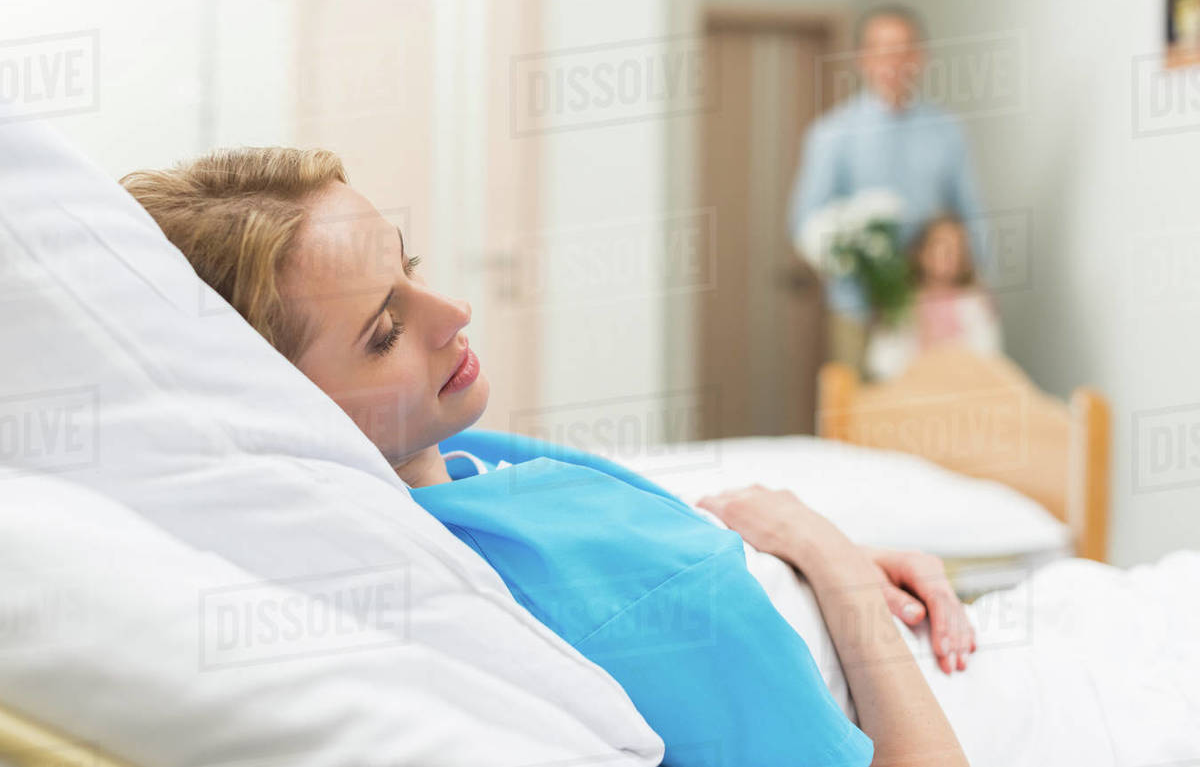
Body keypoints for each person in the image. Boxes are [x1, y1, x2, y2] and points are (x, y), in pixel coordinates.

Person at [121, 147, 974, 767]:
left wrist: (805, 554)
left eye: (409, 268)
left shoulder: (449, 462)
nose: (452, 310)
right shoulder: (581, 589)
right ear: (286, 411)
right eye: (384, 332)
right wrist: (834, 567)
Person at [789, 4, 988, 373]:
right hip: (858, 309)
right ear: (862, 58)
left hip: (931, 308)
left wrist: (979, 285)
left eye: (904, 49)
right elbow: (805, 223)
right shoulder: (832, 133)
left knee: (931, 415)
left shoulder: (947, 130)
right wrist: (855, 263)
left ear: (921, 57)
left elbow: (970, 211)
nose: (893, 61)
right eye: (881, 49)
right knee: (859, 417)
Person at [865, 214, 1003, 380]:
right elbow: (880, 360)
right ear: (920, 252)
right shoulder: (901, 300)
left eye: (957, 248)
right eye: (941, 245)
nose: (950, 254)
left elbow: (989, 353)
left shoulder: (975, 301)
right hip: (914, 386)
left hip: (962, 383)